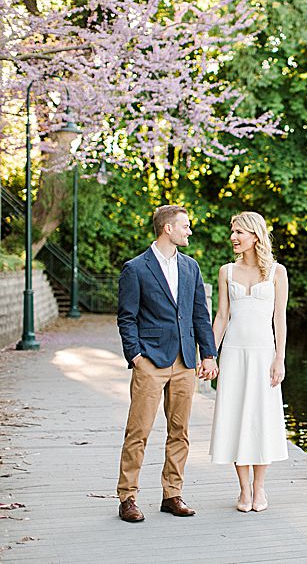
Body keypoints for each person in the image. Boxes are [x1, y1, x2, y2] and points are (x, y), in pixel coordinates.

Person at [116, 204, 219, 522]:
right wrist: (136, 356)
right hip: (151, 361)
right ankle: (128, 497)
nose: (190, 231)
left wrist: (208, 354)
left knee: (180, 431)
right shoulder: (136, 268)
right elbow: (127, 317)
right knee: (139, 431)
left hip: (186, 362)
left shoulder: (191, 267)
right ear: (168, 229)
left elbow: (199, 313)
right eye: (185, 226)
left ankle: (172, 494)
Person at [209, 211, 290, 512]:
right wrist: (209, 354)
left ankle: (259, 489)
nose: (233, 237)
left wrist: (279, 357)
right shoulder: (226, 271)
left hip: (263, 354)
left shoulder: (276, 272)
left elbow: (279, 319)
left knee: (262, 419)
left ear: (255, 236)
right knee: (235, 417)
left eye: (239, 232)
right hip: (233, 353)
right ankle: (243, 490)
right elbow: (221, 316)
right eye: (233, 232)